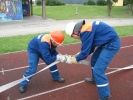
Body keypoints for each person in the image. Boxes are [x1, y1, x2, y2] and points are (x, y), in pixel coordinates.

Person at [65, 20, 121, 100]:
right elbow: (89, 49)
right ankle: (95, 79)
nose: (73, 38)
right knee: (94, 60)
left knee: (98, 70)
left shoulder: (85, 32)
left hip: (111, 44)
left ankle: (105, 96)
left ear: (75, 32)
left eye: (72, 36)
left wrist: (74, 60)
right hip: (106, 43)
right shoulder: (85, 29)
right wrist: (79, 55)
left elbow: (85, 53)